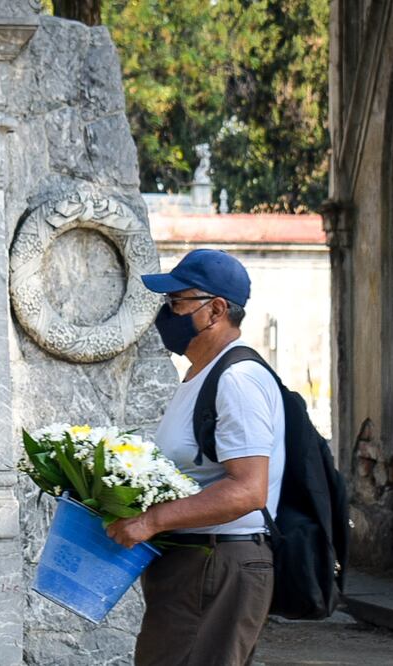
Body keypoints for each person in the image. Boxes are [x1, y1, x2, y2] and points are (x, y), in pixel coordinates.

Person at [106, 248, 286, 665]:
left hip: (216, 564)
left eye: (177, 302)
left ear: (216, 310)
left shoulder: (237, 379)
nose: (167, 314)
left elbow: (247, 490)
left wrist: (150, 521)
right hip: (195, 565)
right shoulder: (202, 374)